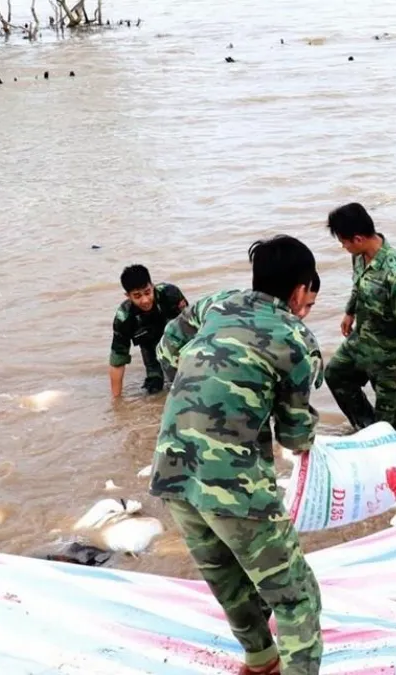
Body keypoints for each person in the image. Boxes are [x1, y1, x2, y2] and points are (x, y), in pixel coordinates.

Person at [149, 235, 324, 675]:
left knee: (228, 581)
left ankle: (261, 662)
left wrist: (197, 384)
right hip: (232, 484)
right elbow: (295, 434)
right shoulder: (295, 338)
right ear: (302, 290)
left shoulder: (219, 303)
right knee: (295, 595)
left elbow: (167, 346)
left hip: (173, 469)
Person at [324, 202, 396, 434]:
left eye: (343, 242)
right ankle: (366, 431)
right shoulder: (359, 256)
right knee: (336, 375)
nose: (343, 246)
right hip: (362, 340)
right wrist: (349, 312)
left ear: (358, 239)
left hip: (389, 355)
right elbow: (358, 285)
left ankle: (390, 452)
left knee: (392, 429)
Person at [108, 265, 188, 398]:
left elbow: (191, 325)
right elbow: (117, 361)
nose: (145, 300)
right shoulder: (124, 317)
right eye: (137, 296)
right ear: (128, 296)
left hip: (177, 339)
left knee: (186, 378)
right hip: (150, 347)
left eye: (147, 292)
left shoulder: (170, 294)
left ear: (153, 286)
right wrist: (116, 403)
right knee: (154, 389)